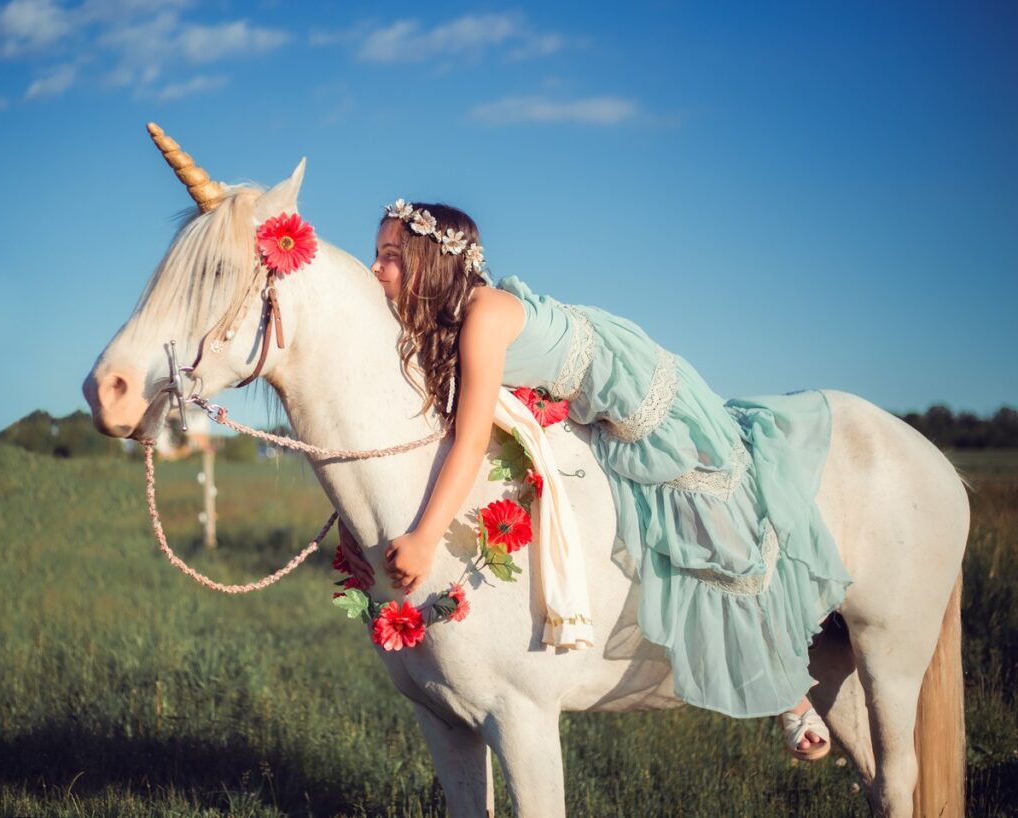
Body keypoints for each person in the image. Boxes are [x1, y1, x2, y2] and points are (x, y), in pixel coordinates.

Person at [338, 199, 853, 761]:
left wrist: (426, 536)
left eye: (391, 255)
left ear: (431, 262)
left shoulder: (482, 318)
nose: (376, 268)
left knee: (704, 521)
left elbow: (469, 438)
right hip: (589, 400)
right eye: (377, 254)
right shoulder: (441, 322)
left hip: (634, 392)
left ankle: (791, 690)